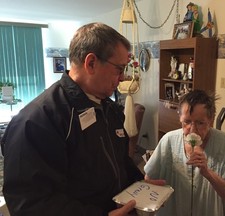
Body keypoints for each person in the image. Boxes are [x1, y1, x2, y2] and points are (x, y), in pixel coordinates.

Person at [1, 22, 164, 216]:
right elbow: (29, 203)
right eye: (119, 69)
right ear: (91, 63)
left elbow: (120, 162)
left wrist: (140, 185)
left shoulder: (110, 109)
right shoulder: (36, 121)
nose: (122, 78)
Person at [144, 89, 225, 216]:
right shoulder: (169, 141)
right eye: (187, 122)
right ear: (180, 118)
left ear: (211, 120)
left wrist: (208, 173)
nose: (193, 130)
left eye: (200, 123)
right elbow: (149, 178)